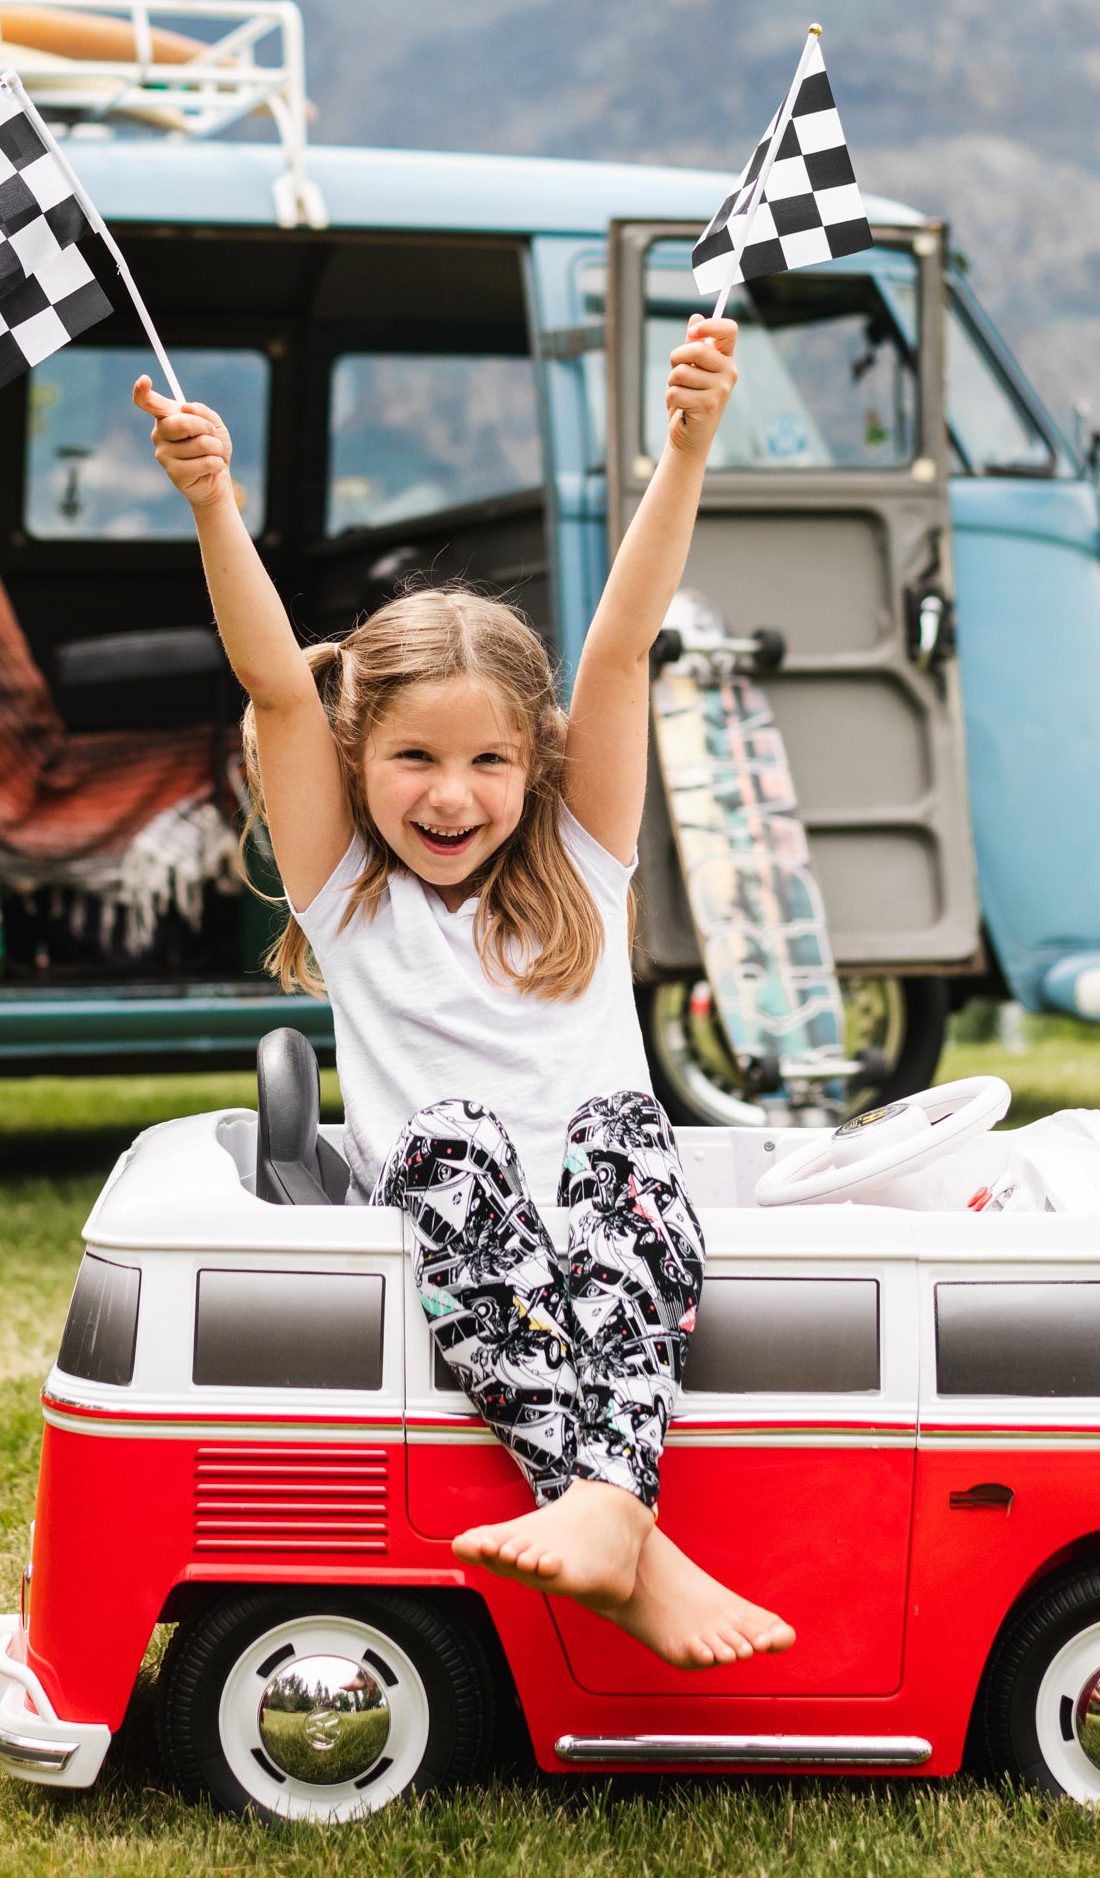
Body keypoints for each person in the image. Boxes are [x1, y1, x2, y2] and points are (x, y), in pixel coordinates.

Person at [132, 314, 794, 1671]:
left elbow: (618, 649)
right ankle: (622, 1525)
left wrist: (686, 450)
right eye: (414, 756)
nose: (451, 794)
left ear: (539, 761)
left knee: (625, 1138)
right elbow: (271, 680)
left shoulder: (578, 863)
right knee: (456, 1138)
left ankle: (609, 1512)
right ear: (355, 753)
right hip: (456, 1223)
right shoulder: (348, 893)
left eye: (491, 761)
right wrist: (213, 504)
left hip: (605, 1216)